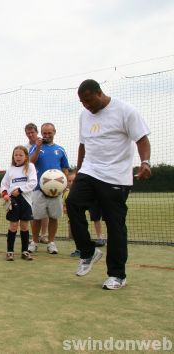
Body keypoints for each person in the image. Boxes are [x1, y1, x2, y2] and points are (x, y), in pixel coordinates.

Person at [66, 79, 151, 290]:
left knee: (115, 225)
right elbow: (83, 145)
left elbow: (141, 139)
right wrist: (77, 172)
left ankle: (117, 275)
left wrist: (145, 162)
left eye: (88, 101)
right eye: (82, 102)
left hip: (116, 176)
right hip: (90, 170)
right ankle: (88, 252)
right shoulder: (84, 115)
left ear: (99, 93)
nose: (86, 106)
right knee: (73, 203)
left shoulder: (125, 111)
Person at [28, 123, 70, 254]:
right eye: (44, 133)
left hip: (55, 190)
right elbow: (30, 162)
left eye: (49, 133)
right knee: (36, 217)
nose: (46, 135)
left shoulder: (60, 149)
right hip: (38, 189)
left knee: (54, 217)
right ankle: (34, 241)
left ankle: (51, 243)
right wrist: (38, 147)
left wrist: (64, 185)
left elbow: (65, 169)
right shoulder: (36, 147)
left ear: (54, 132)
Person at [0, 146, 37, 261]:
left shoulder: (30, 167)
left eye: (21, 155)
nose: (18, 157)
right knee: (13, 225)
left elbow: (33, 182)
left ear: (26, 156)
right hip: (13, 200)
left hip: (26, 200)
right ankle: (10, 252)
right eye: (16, 155)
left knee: (25, 226)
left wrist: (20, 190)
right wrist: (5, 193)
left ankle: (24, 252)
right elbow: (4, 184)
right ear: (13, 156)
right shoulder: (10, 169)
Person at [25, 123, 49, 244]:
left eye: (32, 132)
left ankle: (44, 235)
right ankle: (34, 235)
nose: (30, 135)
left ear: (36, 132)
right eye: (28, 133)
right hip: (30, 183)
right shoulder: (25, 147)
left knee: (45, 210)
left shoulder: (45, 144)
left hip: (45, 181)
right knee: (32, 210)